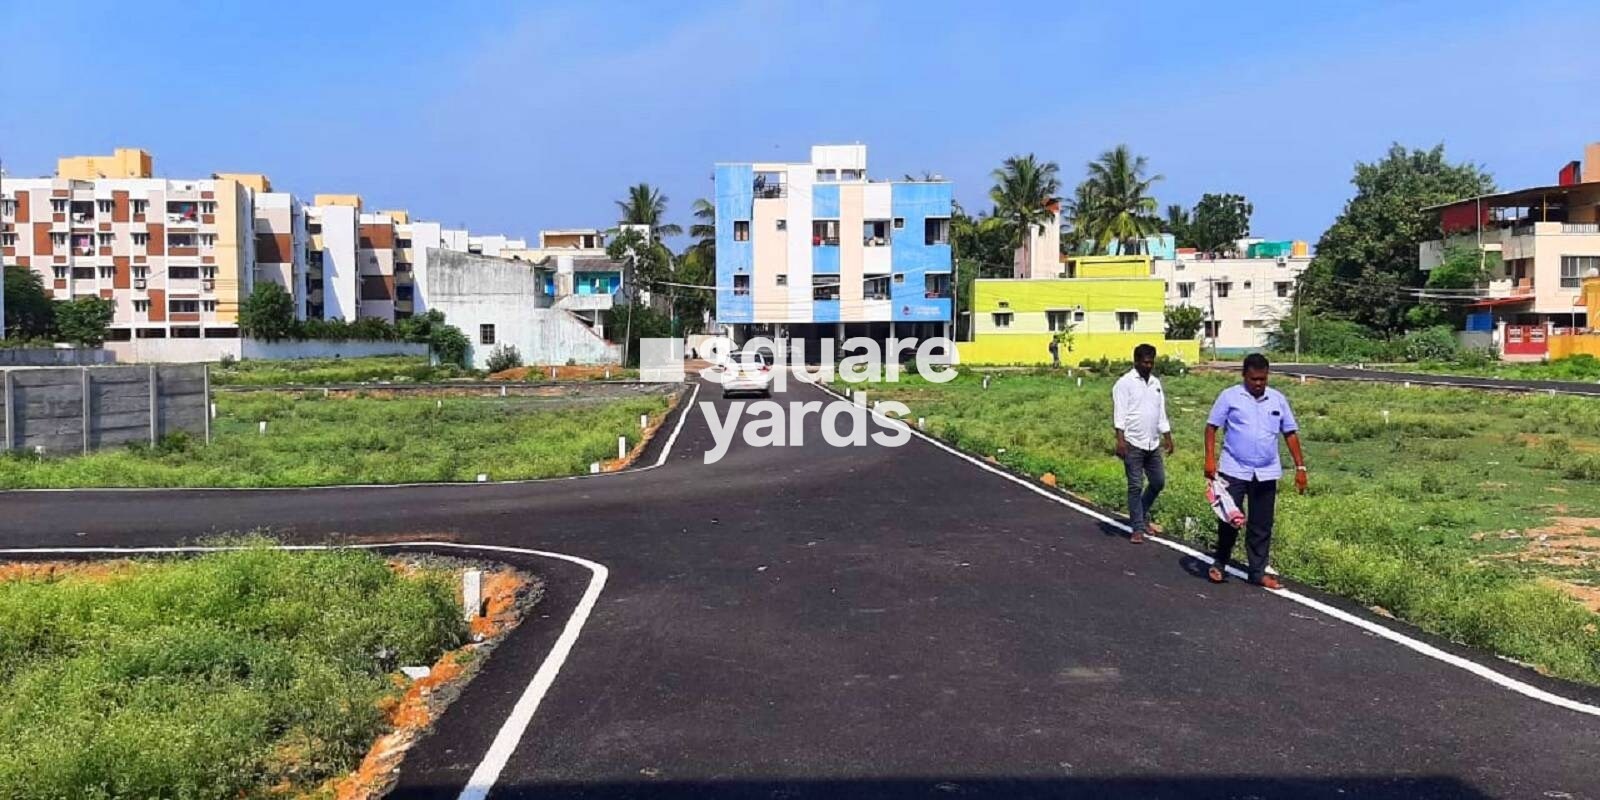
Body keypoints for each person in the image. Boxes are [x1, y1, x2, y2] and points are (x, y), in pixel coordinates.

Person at [1203, 353, 1307, 587]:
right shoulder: (1230, 397)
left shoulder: (1277, 400)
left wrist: (1300, 466)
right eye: (1253, 379)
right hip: (1234, 469)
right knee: (1229, 519)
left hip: (1266, 471)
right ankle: (1220, 562)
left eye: (1262, 379)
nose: (1258, 384)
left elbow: (1289, 432)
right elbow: (1211, 428)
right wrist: (1209, 460)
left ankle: (1257, 572)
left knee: (1262, 524)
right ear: (1244, 376)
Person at [1113, 344, 1173, 544]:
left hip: (1152, 443)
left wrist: (1167, 436)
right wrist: (1120, 440)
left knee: (1158, 482)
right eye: (1145, 362)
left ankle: (1141, 512)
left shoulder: (1155, 383)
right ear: (1136, 361)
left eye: (1151, 362)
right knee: (1135, 485)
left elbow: (1160, 411)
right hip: (1132, 442)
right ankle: (1138, 527)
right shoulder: (1124, 384)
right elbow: (1120, 414)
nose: (1149, 366)